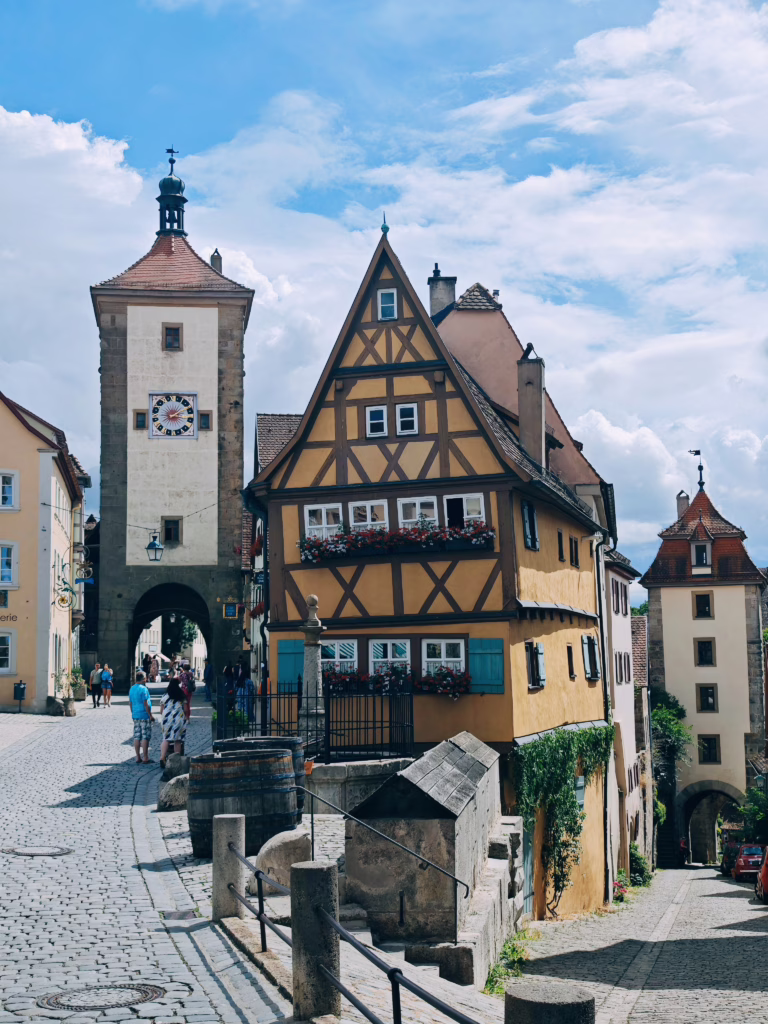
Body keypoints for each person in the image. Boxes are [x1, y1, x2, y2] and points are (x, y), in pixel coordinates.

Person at [159, 678, 189, 768]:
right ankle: (176, 760)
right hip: (178, 719)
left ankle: (162, 757)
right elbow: (186, 709)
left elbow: (161, 710)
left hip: (167, 719)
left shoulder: (165, 695)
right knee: (178, 740)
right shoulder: (181, 695)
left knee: (166, 739)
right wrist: (186, 717)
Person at [129, 670, 155, 764]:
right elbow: (146, 704)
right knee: (145, 736)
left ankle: (138, 757)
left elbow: (130, 703)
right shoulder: (144, 689)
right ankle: (146, 757)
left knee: (137, 736)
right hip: (144, 715)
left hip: (136, 715)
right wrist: (150, 715)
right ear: (143, 679)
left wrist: (133, 713)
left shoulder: (132, 689)